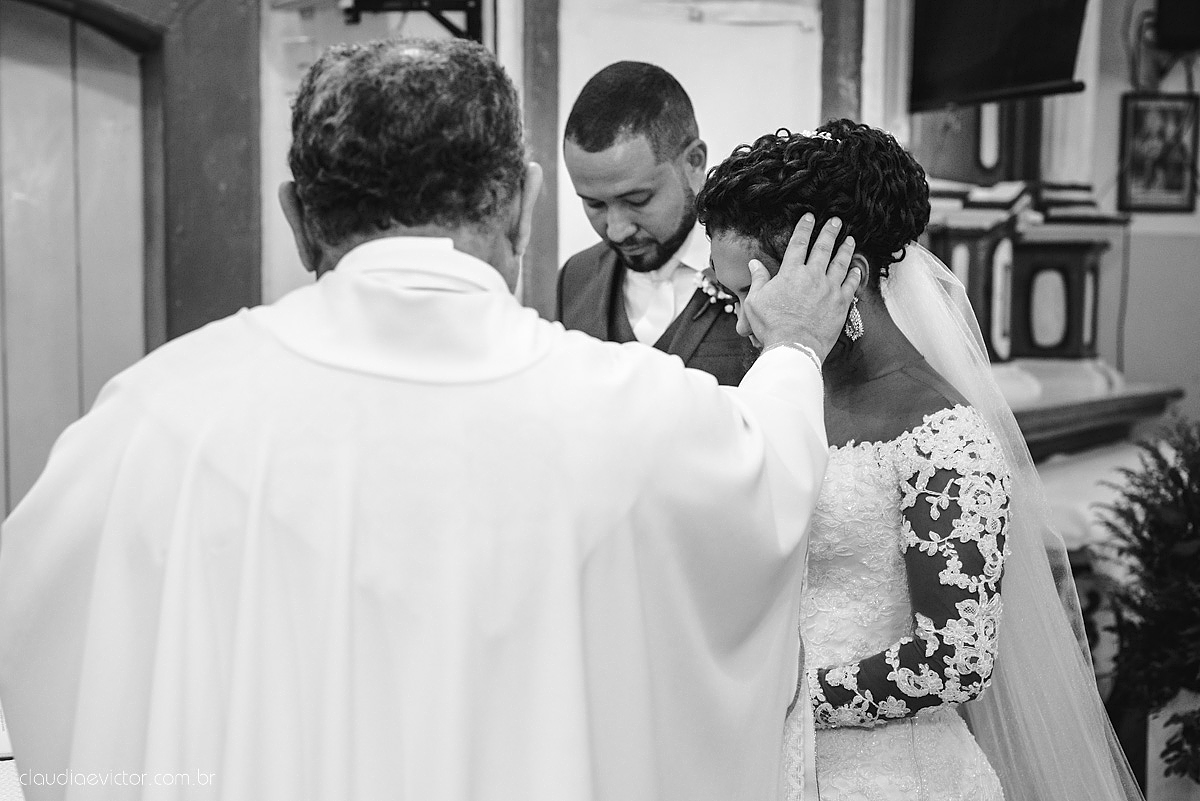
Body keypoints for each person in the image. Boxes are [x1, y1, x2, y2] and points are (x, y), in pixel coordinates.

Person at [0, 40, 860, 801]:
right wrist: (791, 349)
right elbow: (767, 488)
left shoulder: (147, 422)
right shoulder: (646, 414)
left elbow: (52, 669)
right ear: (522, 204)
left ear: (298, 218)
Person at [696, 120, 1144, 801]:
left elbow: (955, 662)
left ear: (834, 274)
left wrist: (783, 702)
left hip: (893, 777)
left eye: (746, 293)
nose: (738, 322)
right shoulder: (779, 395)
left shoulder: (943, 432)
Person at [558, 61, 752, 385]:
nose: (617, 229)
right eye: (594, 204)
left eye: (638, 200)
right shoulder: (574, 280)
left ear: (693, 162)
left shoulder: (759, 271)